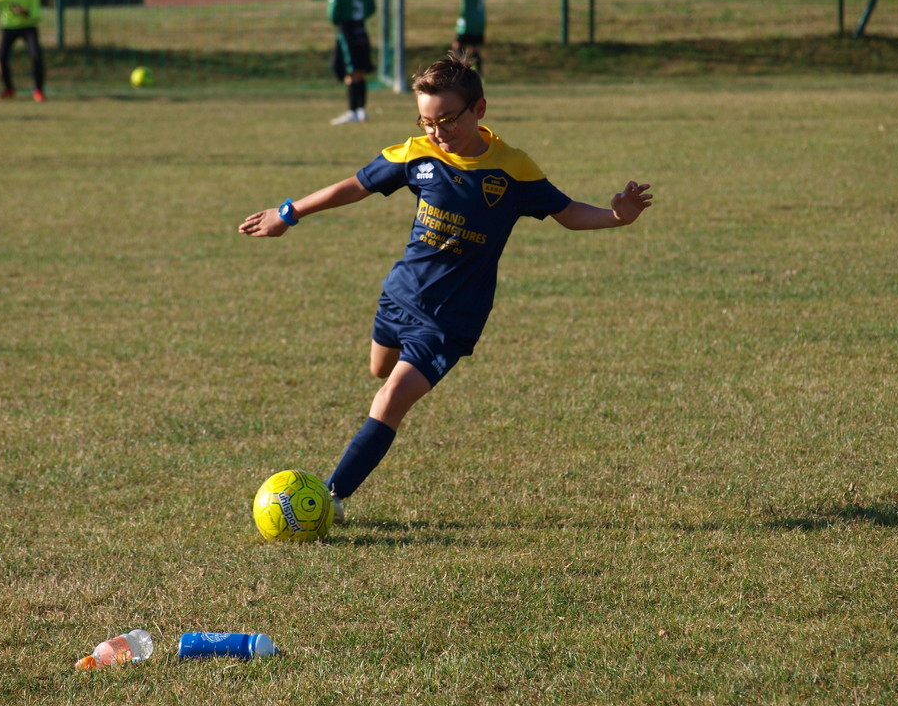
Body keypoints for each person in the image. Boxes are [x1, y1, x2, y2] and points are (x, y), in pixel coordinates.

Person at [238, 52, 653, 522]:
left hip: (451, 318)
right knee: (379, 370)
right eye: (428, 121)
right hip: (400, 294)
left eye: (448, 119)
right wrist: (289, 213)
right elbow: (355, 185)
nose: (438, 131)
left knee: (390, 399)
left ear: (479, 109)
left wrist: (616, 216)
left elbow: (568, 213)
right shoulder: (417, 153)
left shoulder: (513, 169)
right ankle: (387, 397)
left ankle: (326, 500)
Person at [326, 0, 375, 125]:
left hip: (346, 31)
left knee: (349, 70)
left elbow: (333, 15)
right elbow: (371, 7)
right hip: (361, 28)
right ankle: (361, 110)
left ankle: (353, 110)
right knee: (359, 70)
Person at [451, 0, 488, 76]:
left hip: (467, 20)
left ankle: (459, 72)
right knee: (474, 48)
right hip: (480, 19)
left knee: (457, 45)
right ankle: (480, 75)